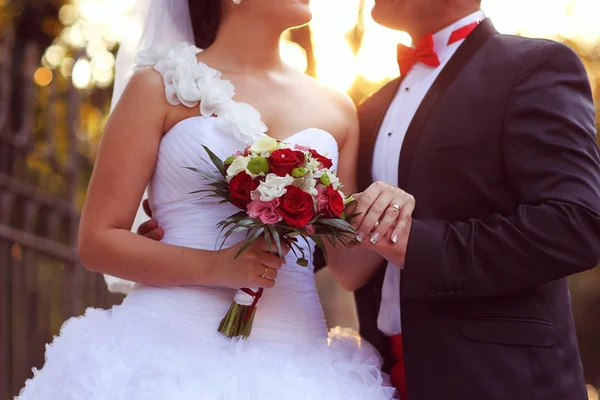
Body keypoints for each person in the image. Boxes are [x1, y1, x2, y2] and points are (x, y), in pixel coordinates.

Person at [15, 0, 400, 398]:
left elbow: (349, 269)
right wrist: (219, 266)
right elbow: (97, 242)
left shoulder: (336, 107)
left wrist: (391, 208)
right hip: (165, 355)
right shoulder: (159, 86)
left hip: (301, 365)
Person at [340, 0, 600, 399]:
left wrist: (420, 246)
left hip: (500, 380)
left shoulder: (535, 65)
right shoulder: (371, 107)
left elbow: (576, 224)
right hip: (378, 378)